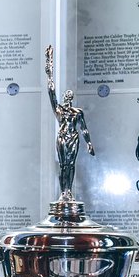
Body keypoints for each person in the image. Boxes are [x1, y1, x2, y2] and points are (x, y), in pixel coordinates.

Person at [46, 46, 94, 197]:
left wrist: (89, 143)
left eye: (70, 95)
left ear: (71, 98)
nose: (67, 96)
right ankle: (62, 192)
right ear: (64, 97)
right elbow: (51, 93)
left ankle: (69, 191)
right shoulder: (59, 110)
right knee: (63, 165)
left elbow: (84, 129)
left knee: (71, 165)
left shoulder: (77, 112)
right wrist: (49, 75)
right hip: (62, 137)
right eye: (66, 95)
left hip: (73, 137)